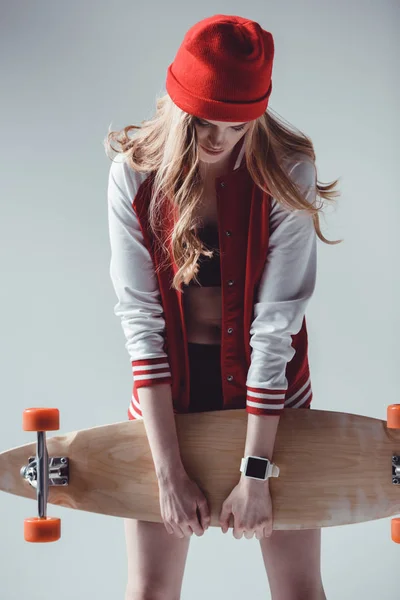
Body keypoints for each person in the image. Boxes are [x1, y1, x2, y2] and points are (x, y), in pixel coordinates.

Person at [105, 13, 339, 600]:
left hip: (271, 394)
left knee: (299, 590)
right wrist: (167, 473)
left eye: (237, 126)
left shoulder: (288, 171)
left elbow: (275, 328)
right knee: (150, 590)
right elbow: (143, 325)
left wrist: (256, 471)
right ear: (177, 104)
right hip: (168, 396)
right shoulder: (133, 177)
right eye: (204, 122)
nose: (218, 140)